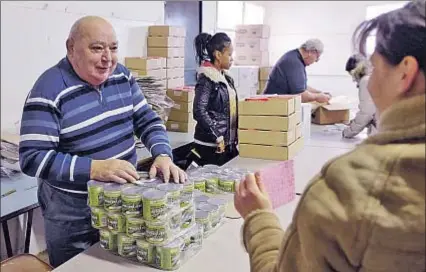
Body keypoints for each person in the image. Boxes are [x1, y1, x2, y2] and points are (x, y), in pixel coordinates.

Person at [235, 0, 425, 271]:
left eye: (375, 68)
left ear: (405, 72)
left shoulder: (350, 187)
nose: (369, 82)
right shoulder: (292, 61)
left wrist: (258, 216)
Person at [18, 16, 186, 267]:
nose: (108, 57)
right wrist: (95, 169)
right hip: (73, 211)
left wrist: (162, 153)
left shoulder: (122, 76)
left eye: (114, 48)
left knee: (119, 261)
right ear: (71, 48)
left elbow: (147, 119)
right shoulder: (48, 89)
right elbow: (32, 158)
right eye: (97, 48)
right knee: (78, 265)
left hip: (121, 199)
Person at [189, 32, 238, 166]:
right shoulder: (207, 79)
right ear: (218, 55)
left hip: (226, 143)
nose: (232, 59)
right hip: (210, 145)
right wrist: (217, 135)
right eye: (229, 54)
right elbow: (199, 110)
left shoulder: (226, 78)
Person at [263, 39, 331, 103]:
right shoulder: (294, 62)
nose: (316, 61)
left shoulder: (295, 58)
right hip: (273, 105)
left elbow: (302, 87)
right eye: (317, 57)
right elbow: (300, 95)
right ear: (311, 52)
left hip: (279, 104)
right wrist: (317, 97)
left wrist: (319, 92)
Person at [342, 54, 378, 138]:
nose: (353, 79)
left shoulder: (366, 81)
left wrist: (348, 132)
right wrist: (355, 122)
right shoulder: (375, 77)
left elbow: (366, 113)